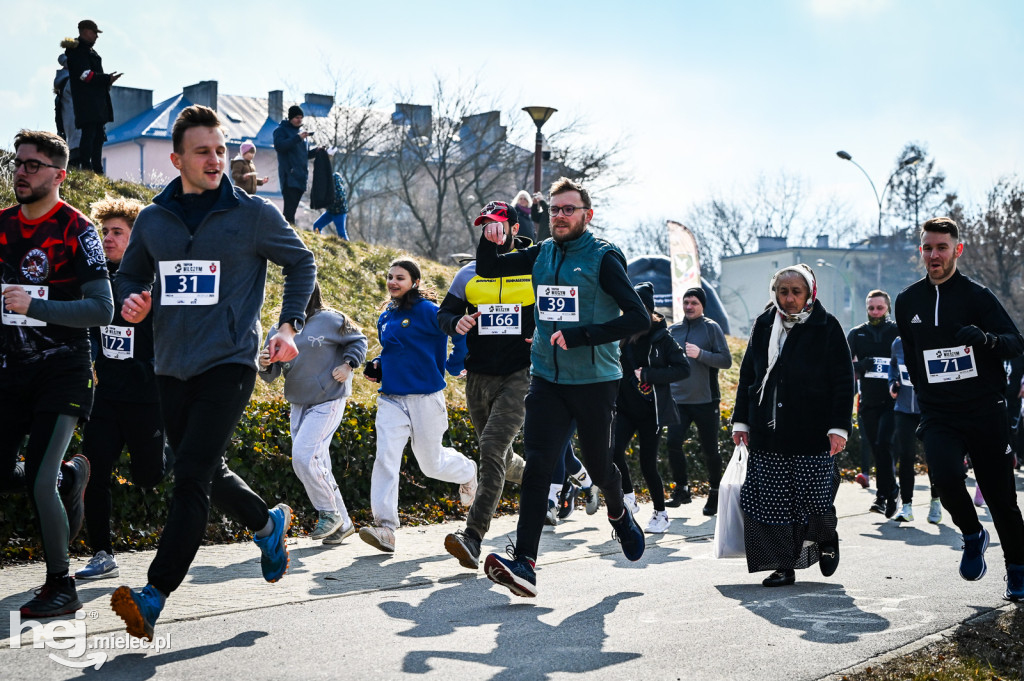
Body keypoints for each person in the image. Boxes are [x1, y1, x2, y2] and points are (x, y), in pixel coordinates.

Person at [109, 104, 317, 641]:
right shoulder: (155, 219)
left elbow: (301, 262)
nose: (215, 159)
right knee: (202, 466)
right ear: (176, 159)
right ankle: (268, 524)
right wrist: (132, 299)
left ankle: (154, 594)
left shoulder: (253, 215)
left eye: (221, 150)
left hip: (229, 362)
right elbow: (130, 273)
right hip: (170, 364)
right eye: (203, 151)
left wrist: (287, 326)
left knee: (191, 475)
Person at [476, 176, 651, 598]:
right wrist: (489, 235)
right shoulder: (542, 254)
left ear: (587, 215)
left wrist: (583, 335)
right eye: (554, 209)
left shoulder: (603, 258)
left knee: (598, 465)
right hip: (547, 379)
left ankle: (618, 514)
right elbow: (489, 267)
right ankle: (526, 564)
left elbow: (638, 319)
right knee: (538, 467)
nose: (559, 216)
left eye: (568, 209)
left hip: (594, 381)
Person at [0, 130, 113, 616]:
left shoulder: (77, 228)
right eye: (17, 163)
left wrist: (37, 305)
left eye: (31, 165)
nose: (20, 172)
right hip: (10, 370)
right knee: (11, 474)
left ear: (58, 175)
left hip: (63, 371)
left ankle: (60, 585)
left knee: (37, 479)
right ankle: (72, 477)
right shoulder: (1, 225)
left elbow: (102, 308)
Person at [894, 216, 1024, 602]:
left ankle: (1017, 571)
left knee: (1001, 497)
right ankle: (972, 533)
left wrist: (985, 338)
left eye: (942, 248)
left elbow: (1015, 343)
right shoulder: (908, 301)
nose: (934, 255)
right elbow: (914, 358)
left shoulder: (977, 296)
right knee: (946, 479)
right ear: (922, 251)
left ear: (957, 250)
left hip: (984, 410)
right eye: (928, 248)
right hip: (940, 414)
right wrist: (925, 398)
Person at [733, 264, 854, 587]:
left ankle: (826, 538)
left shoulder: (827, 326)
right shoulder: (763, 325)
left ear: (809, 293)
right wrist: (741, 421)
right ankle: (783, 565)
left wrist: (839, 427)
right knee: (771, 502)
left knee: (815, 498)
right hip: (767, 433)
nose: (788, 299)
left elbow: (844, 381)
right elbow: (749, 376)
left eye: (795, 292)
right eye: (782, 292)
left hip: (812, 432)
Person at [76, 196, 172, 581]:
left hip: (148, 398)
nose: (108, 238)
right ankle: (102, 553)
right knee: (94, 473)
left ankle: (176, 451)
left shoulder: (155, 282)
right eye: (105, 232)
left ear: (137, 238)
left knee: (149, 476)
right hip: (108, 398)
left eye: (118, 232)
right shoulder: (98, 283)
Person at [360, 259, 478, 554]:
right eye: (389, 277)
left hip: (426, 398)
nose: (392, 282)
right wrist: (378, 365)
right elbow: (395, 351)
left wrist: (454, 363)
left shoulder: (427, 310)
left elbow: (459, 330)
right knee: (385, 457)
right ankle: (386, 528)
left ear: (414, 281)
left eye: (399, 277)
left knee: (431, 464)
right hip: (391, 398)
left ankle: (467, 472)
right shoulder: (386, 315)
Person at [437, 201, 531, 568]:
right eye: (484, 225)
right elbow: (446, 313)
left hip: (520, 374)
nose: (489, 230)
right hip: (478, 376)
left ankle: (473, 537)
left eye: (496, 224)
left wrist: (541, 332)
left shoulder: (532, 265)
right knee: (501, 458)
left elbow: (556, 309)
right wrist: (454, 324)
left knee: (491, 449)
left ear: (512, 227)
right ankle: (554, 484)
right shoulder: (468, 274)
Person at [259, 282, 367, 544]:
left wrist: (349, 364)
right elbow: (270, 375)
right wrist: (263, 363)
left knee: (304, 457)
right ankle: (343, 523)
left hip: (328, 398)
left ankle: (329, 513)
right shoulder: (277, 331)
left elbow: (359, 340)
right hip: (299, 402)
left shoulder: (331, 319)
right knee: (318, 462)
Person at [611, 282, 690, 533]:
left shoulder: (662, 337)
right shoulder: (622, 334)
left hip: (650, 411)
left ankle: (661, 513)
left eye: (636, 307)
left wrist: (648, 374)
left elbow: (683, 368)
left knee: (648, 464)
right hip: (624, 407)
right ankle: (629, 498)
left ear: (648, 310)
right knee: (613, 453)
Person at [664, 286, 732, 515]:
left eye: (694, 303)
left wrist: (700, 354)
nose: (689, 307)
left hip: (706, 400)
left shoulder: (712, 328)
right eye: (686, 303)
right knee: (672, 443)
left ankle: (714, 492)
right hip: (678, 400)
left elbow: (726, 361)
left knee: (710, 449)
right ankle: (682, 489)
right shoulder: (673, 330)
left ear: (702, 306)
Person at [847, 290, 900, 515]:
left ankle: (882, 496)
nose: (875, 312)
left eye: (880, 308)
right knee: (877, 448)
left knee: (883, 444)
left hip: (893, 401)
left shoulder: (898, 332)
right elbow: (844, 366)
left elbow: (910, 359)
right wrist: (862, 366)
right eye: (871, 308)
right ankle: (892, 490)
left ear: (888, 308)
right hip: (868, 401)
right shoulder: (857, 333)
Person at [887, 336, 942, 524]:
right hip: (903, 409)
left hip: (927, 409)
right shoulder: (898, 343)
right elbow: (893, 366)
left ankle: (936, 500)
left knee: (932, 456)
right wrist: (892, 383)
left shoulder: (931, 339)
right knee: (906, 455)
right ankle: (907, 506)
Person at [64, 20, 122, 174]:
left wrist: (106, 81)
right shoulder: (78, 52)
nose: (97, 36)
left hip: (96, 103)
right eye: (94, 32)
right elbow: (85, 75)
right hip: (87, 103)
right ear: (85, 31)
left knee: (98, 137)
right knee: (89, 136)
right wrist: (106, 79)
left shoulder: (88, 52)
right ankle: (87, 168)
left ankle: (97, 170)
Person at [273, 105, 316, 224]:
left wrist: (318, 151)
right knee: (289, 210)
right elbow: (280, 146)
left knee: (292, 208)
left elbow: (304, 155)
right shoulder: (281, 130)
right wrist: (297, 138)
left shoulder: (301, 134)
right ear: (290, 117)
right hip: (289, 176)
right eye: (297, 117)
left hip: (301, 176)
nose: (299, 120)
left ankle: (287, 230)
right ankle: (288, 230)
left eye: (301, 118)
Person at [53, 53, 80, 167]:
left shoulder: (63, 83)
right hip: (77, 127)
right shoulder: (71, 82)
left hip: (70, 130)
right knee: (77, 158)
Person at [313, 171, 349, 239]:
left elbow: (339, 199)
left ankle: (347, 247)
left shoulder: (337, 188)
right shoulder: (329, 187)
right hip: (330, 212)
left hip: (339, 213)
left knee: (341, 233)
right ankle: (318, 239)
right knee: (317, 226)